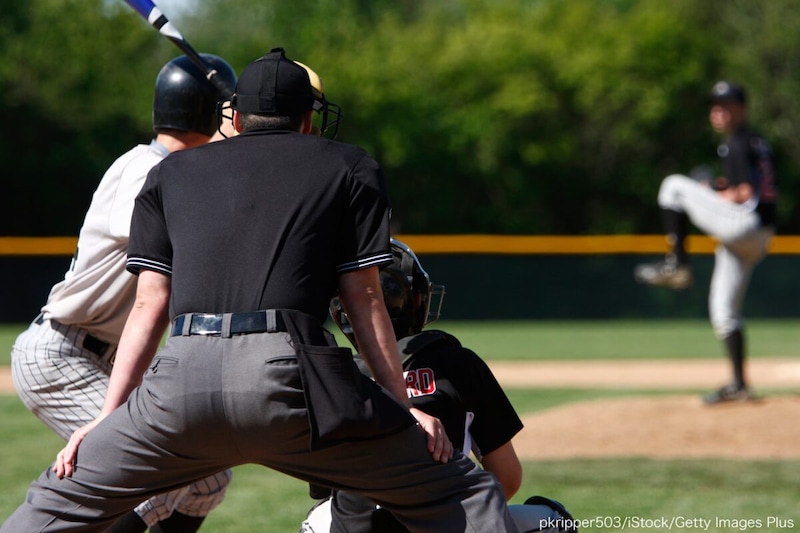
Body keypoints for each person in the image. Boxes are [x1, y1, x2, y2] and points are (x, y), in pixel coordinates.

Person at [1, 47, 517, 532]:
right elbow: (364, 298)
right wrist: (401, 406)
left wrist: (106, 420)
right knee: (464, 493)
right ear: (308, 119)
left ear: (237, 117)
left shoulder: (170, 172)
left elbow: (150, 305)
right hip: (291, 383)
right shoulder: (349, 165)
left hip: (178, 385)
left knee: (57, 502)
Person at [9, 53, 238, 532]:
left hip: (105, 358)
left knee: (209, 476)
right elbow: (187, 236)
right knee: (160, 466)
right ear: (209, 115)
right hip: (62, 354)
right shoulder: (145, 167)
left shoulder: (182, 173)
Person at [301, 238, 577, 533]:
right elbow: (507, 479)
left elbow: (329, 490)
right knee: (553, 518)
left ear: (341, 310)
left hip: (361, 526)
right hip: (444, 523)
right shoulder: (456, 362)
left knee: (317, 519)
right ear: (417, 300)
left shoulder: (331, 377)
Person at [634, 81, 778, 405]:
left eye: (725, 105)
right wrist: (718, 188)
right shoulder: (758, 143)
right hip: (758, 237)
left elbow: (742, 194)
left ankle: (677, 263)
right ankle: (739, 384)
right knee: (724, 311)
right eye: (715, 105)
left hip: (743, 224)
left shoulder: (738, 142)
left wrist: (710, 189)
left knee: (673, 187)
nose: (718, 110)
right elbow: (751, 189)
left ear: (741, 109)